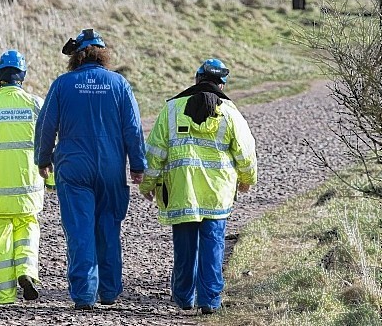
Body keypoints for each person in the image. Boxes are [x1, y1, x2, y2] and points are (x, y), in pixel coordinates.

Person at [34, 28, 147, 310]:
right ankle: (109, 291)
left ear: (76, 57)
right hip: (110, 168)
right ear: (102, 54)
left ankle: (84, 295)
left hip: (74, 169)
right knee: (108, 229)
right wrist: (138, 164)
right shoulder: (119, 83)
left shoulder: (62, 84)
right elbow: (132, 128)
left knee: (80, 231)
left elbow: (46, 124)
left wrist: (43, 158)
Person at [139, 58, 257, 315]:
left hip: (182, 191)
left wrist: (148, 183)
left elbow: (155, 152)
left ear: (196, 79)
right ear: (222, 84)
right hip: (217, 194)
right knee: (213, 245)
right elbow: (246, 153)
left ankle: (183, 297)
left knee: (184, 246)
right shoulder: (231, 112)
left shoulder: (171, 109)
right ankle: (210, 301)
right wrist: (247, 180)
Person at [0, 50, 45, 305]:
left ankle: (4, 296)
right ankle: (26, 271)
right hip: (28, 187)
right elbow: (48, 144)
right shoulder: (36, 104)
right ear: (22, 75)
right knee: (27, 228)